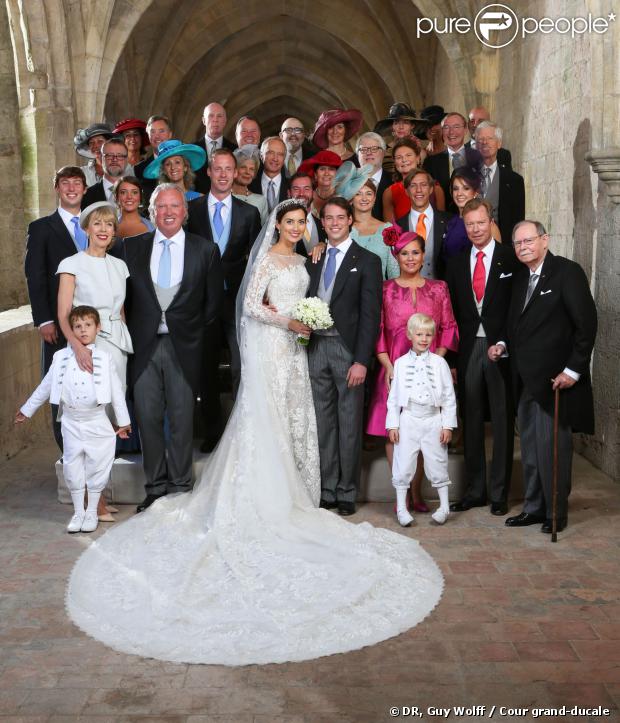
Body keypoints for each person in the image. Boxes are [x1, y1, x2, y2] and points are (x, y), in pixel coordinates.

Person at [65, 198, 443, 666]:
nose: (296, 227)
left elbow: (316, 298)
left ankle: (296, 491)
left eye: (302, 221)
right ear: (277, 224)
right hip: (270, 344)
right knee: (262, 415)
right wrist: (288, 321)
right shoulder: (265, 258)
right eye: (289, 221)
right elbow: (248, 306)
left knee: (293, 417)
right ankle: (258, 495)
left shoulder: (311, 258)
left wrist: (304, 326)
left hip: (296, 349)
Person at [489, 221, 597, 533]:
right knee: (533, 451)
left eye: (528, 241)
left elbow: (586, 325)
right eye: (517, 243)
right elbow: (516, 325)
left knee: (553, 450)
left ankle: (555, 513)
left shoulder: (567, 272)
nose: (522, 247)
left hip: (556, 382)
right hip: (525, 380)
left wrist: (573, 370)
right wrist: (502, 345)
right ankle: (535, 508)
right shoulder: (520, 278)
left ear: (545, 240)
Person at [123, 184, 223, 511]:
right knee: (148, 418)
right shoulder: (130, 248)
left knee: (181, 418)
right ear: (152, 213)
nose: (168, 212)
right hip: (143, 347)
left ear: (184, 211)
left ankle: (180, 486)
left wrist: (191, 335)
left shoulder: (205, 250)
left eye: (174, 206)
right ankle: (155, 486)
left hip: (185, 347)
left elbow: (212, 305)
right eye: (161, 206)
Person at [366, 227, 458, 513]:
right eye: (404, 253)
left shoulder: (438, 288)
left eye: (415, 252)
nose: (410, 258)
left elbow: (449, 327)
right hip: (393, 368)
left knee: (423, 431)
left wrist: (436, 361)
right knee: (398, 433)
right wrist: (388, 365)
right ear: (396, 256)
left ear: (422, 256)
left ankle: (417, 493)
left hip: (430, 370)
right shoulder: (385, 290)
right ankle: (401, 495)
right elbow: (377, 330)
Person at [15, 306, 130, 534]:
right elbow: (45, 386)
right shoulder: (60, 357)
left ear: (98, 328)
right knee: (72, 466)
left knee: (98, 465)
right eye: (77, 326)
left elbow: (116, 391)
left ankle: (92, 512)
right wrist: (27, 409)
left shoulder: (104, 358)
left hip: (96, 420)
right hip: (70, 421)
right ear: (71, 330)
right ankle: (78, 511)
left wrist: (123, 421)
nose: (83, 330)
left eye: (88, 325)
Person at [56, 201, 134, 520]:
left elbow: (122, 311)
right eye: (97, 224)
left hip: (116, 345)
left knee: (110, 422)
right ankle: (91, 501)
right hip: (87, 347)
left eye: (109, 225)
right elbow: (63, 315)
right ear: (86, 229)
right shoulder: (71, 264)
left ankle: (98, 494)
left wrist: (124, 340)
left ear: (114, 232)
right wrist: (78, 348)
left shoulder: (119, 266)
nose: (103, 230)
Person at [306, 197, 383, 515]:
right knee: (323, 422)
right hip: (315, 348)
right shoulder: (313, 258)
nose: (335, 222)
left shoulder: (367, 260)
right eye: (329, 218)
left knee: (349, 422)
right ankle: (327, 488)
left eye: (341, 217)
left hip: (347, 349)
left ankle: (347, 491)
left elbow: (370, 315)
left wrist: (362, 360)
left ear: (351, 220)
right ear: (322, 222)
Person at [446, 198, 518, 516]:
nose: (475, 229)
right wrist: (451, 358)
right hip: (467, 350)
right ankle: (476, 491)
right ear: (465, 225)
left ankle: (500, 494)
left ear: (491, 221)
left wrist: (505, 341)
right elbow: (453, 313)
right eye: (470, 223)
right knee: (471, 420)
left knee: (501, 420)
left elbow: (517, 308)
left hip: (499, 348)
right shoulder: (457, 262)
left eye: (480, 222)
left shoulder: (510, 258)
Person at [187, 150, 261, 451]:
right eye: (217, 169)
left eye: (228, 169)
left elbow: (257, 261)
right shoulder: (192, 210)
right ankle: (213, 432)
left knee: (242, 365)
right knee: (204, 368)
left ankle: (242, 429)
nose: (222, 174)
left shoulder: (249, 213)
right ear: (209, 172)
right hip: (201, 301)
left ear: (236, 173)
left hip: (236, 301)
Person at [25, 166, 88, 451]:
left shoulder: (95, 225)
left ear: (85, 189)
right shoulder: (41, 228)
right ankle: (68, 452)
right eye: (66, 183)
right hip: (58, 324)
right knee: (61, 388)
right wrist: (44, 320)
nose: (72, 188)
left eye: (77, 183)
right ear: (57, 188)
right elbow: (35, 276)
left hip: (94, 323)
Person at [387, 312, 457, 526]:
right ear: (410, 335)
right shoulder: (399, 364)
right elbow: (393, 398)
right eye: (419, 334)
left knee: (437, 461)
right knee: (404, 463)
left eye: (428, 335)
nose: (424, 339)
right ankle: (401, 508)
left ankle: (444, 507)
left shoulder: (439, 363)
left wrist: (448, 425)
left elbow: (448, 396)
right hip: (408, 419)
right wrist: (393, 424)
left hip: (433, 419)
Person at [396, 169, 453, 279]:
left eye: (423, 185)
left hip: (442, 290)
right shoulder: (397, 226)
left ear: (431, 189)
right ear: (406, 191)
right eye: (413, 186)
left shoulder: (449, 221)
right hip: (408, 292)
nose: (419, 190)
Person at [476, 121, 525, 245]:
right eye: (481, 139)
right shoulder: (466, 176)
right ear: (476, 145)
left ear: (499, 143)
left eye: (490, 138)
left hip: (502, 247)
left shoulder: (515, 181)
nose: (485, 142)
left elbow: (518, 221)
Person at [442, 166, 501, 264]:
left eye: (466, 188)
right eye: (456, 189)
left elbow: (497, 260)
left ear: (475, 191)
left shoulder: (489, 224)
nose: (459, 193)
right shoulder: (450, 223)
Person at [424, 112, 478, 211]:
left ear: (465, 130)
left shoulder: (479, 158)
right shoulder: (430, 163)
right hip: (444, 220)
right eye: (446, 127)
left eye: (456, 127)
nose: (451, 132)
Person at [382, 139, 446, 221]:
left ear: (418, 158)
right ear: (395, 162)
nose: (404, 160)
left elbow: (442, 223)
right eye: (399, 157)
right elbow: (390, 229)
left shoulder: (435, 188)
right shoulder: (389, 192)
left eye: (408, 155)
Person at [350, 180, 398, 279]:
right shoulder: (344, 229)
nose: (364, 198)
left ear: (375, 198)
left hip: (380, 291)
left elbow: (394, 271)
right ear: (351, 199)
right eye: (358, 194)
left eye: (368, 194)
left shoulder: (388, 229)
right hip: (348, 292)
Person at [193, 102, 237, 194]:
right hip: (198, 203)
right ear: (204, 120)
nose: (215, 120)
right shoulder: (193, 150)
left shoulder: (235, 150)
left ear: (225, 121)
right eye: (211, 116)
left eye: (219, 116)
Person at [374, 102, 428, 174]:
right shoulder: (384, 151)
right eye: (396, 122)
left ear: (412, 126)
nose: (401, 127)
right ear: (392, 126)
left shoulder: (421, 152)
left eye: (405, 122)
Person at [134, 115, 174, 204]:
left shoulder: (183, 164)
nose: (157, 136)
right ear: (148, 136)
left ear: (170, 134)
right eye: (152, 132)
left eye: (161, 131)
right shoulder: (139, 169)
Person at [81, 137, 129, 208]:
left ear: (126, 160)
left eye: (120, 156)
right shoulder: (86, 196)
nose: (114, 159)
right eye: (109, 155)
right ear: (102, 158)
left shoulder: (139, 192)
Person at [287, 171, 326, 254]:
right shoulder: (279, 224)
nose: (301, 193)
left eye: (306, 189)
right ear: (289, 193)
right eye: (296, 189)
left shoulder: (323, 224)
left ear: (313, 193)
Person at [248, 136, 290, 211]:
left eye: (280, 154)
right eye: (270, 153)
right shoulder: (249, 185)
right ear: (261, 156)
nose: (275, 158)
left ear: (284, 158)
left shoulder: (291, 185)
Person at [355, 132, 390, 219]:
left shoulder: (394, 182)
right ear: (357, 154)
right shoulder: (348, 181)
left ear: (383, 153)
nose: (369, 153)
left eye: (374, 149)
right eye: (363, 149)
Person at [298, 150, 342, 218]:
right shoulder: (308, 195)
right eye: (322, 169)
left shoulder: (343, 196)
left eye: (331, 169)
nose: (326, 173)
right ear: (315, 175)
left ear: (337, 174)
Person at [232, 145, 269, 224]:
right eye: (243, 167)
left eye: (251, 169)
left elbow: (265, 232)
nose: (247, 172)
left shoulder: (260, 201)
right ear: (234, 170)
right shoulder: (223, 197)